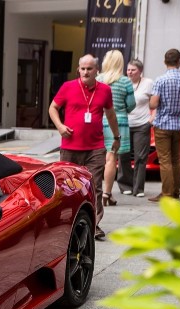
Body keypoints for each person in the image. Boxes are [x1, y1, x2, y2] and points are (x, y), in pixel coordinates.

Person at [49, 54, 120, 241]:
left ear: (97, 70)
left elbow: (111, 115)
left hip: (95, 148)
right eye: (83, 68)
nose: (86, 72)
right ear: (78, 70)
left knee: (94, 187)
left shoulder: (104, 90)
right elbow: (52, 108)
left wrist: (117, 136)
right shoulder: (67, 87)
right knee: (66, 188)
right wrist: (60, 126)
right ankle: (64, 224)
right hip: (70, 147)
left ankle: (94, 224)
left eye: (90, 68)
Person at [149, 49, 180, 202]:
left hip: (163, 123)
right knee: (176, 159)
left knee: (165, 160)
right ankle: (176, 192)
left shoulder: (160, 80)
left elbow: (154, 103)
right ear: (179, 61)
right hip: (178, 123)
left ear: (165, 62)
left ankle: (167, 193)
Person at [98, 50, 136, 206]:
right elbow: (131, 104)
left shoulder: (99, 80)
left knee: (101, 159)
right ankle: (106, 193)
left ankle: (105, 193)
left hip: (100, 120)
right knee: (112, 158)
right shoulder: (125, 81)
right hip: (119, 121)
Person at [118, 58, 154, 198]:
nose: (130, 72)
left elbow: (155, 101)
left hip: (141, 124)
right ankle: (125, 185)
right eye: (128, 69)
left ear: (140, 71)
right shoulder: (122, 82)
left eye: (133, 70)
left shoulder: (148, 83)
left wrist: (152, 118)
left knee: (140, 157)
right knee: (123, 155)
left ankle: (138, 188)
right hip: (124, 124)